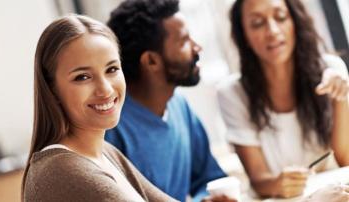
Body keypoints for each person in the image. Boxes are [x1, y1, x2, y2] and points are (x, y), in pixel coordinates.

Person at [21, 14, 178, 202]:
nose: (105, 89)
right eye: (82, 77)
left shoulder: (105, 153)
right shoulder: (62, 170)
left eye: (111, 69)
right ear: (52, 90)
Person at [217, 0, 349, 199]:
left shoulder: (330, 70)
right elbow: (259, 180)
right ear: (244, 35)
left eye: (280, 17)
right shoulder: (232, 92)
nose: (272, 30)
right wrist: (277, 184)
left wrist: (340, 99)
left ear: (295, 21)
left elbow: (345, 159)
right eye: (257, 23)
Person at [104, 0, 231, 201]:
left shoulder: (180, 107)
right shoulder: (111, 128)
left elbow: (208, 179)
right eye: (184, 41)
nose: (197, 48)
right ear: (151, 61)